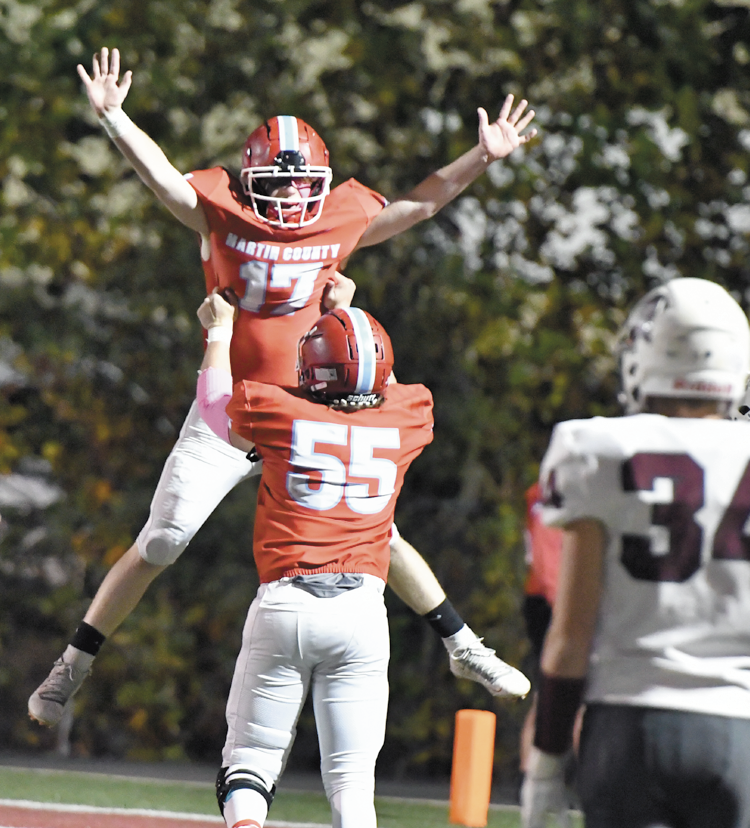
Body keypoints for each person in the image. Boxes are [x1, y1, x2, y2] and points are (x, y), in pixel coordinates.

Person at [28, 49, 537, 726]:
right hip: (229, 409)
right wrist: (116, 119)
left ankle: (463, 643)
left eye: (305, 185)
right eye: (279, 183)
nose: (294, 196)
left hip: (307, 411)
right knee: (162, 540)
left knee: (374, 533)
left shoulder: (340, 217)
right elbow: (162, 183)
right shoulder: (225, 211)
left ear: (323, 184)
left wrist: (482, 158)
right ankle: (74, 662)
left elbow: (418, 204)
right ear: (248, 179)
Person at [196, 282, 529, 828]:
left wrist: (218, 333)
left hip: (286, 604)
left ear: (311, 372)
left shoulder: (277, 409)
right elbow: (383, 381)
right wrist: (346, 317)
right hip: (361, 613)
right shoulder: (406, 413)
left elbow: (214, 413)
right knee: (351, 779)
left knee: (252, 757)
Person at [520, 277, 750, 828]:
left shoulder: (596, 447)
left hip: (632, 728)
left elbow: (571, 635)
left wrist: (547, 759)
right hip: (737, 736)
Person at [518, 482, 563, 774]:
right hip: (553, 600)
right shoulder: (549, 491)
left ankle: (534, 776)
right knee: (550, 694)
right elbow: (546, 548)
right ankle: (531, 776)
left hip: (554, 597)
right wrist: (559, 599)